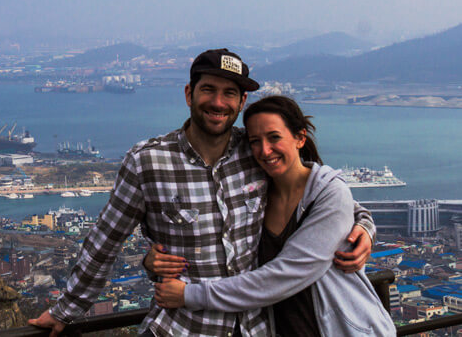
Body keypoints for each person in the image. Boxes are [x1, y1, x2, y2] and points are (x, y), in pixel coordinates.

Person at [28, 48, 374, 337]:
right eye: (208, 89)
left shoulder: (255, 151)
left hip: (255, 327)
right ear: (189, 93)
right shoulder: (148, 162)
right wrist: (67, 310)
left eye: (230, 94)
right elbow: (105, 241)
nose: (218, 102)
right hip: (184, 328)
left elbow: (317, 188)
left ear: (242, 102)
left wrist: (362, 225)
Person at [152, 95, 394, 336]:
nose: (265, 150)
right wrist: (153, 258)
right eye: (255, 141)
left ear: (300, 138)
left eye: (274, 137)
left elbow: (283, 276)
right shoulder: (257, 194)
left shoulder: (329, 191)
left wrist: (190, 294)